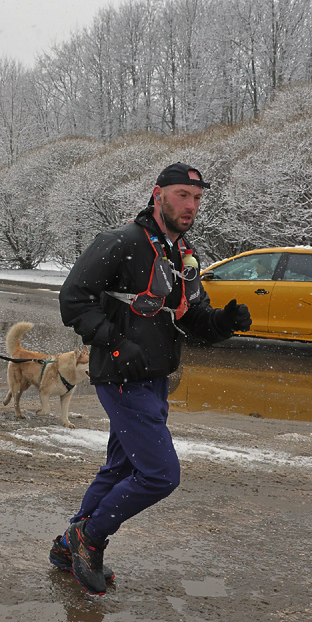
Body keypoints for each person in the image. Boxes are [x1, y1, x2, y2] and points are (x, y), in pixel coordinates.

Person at [50, 162, 252, 595]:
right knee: (161, 474)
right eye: (182, 195)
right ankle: (90, 537)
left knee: (120, 467)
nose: (190, 205)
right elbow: (74, 299)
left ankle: (69, 544)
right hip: (122, 377)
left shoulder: (181, 252)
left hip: (156, 378)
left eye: (197, 198)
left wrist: (225, 322)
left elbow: (192, 317)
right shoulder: (121, 242)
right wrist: (117, 343)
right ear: (157, 193)